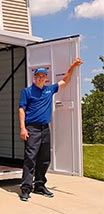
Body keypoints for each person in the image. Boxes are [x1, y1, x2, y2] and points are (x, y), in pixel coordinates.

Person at [18, 58, 83, 202]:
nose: (40, 78)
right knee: (30, 159)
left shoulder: (49, 90)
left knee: (44, 159)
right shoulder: (27, 91)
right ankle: (26, 189)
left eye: (43, 76)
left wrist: (72, 65)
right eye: (38, 76)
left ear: (46, 78)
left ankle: (39, 186)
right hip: (32, 128)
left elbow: (65, 81)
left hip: (45, 129)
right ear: (35, 77)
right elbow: (22, 109)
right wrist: (23, 128)